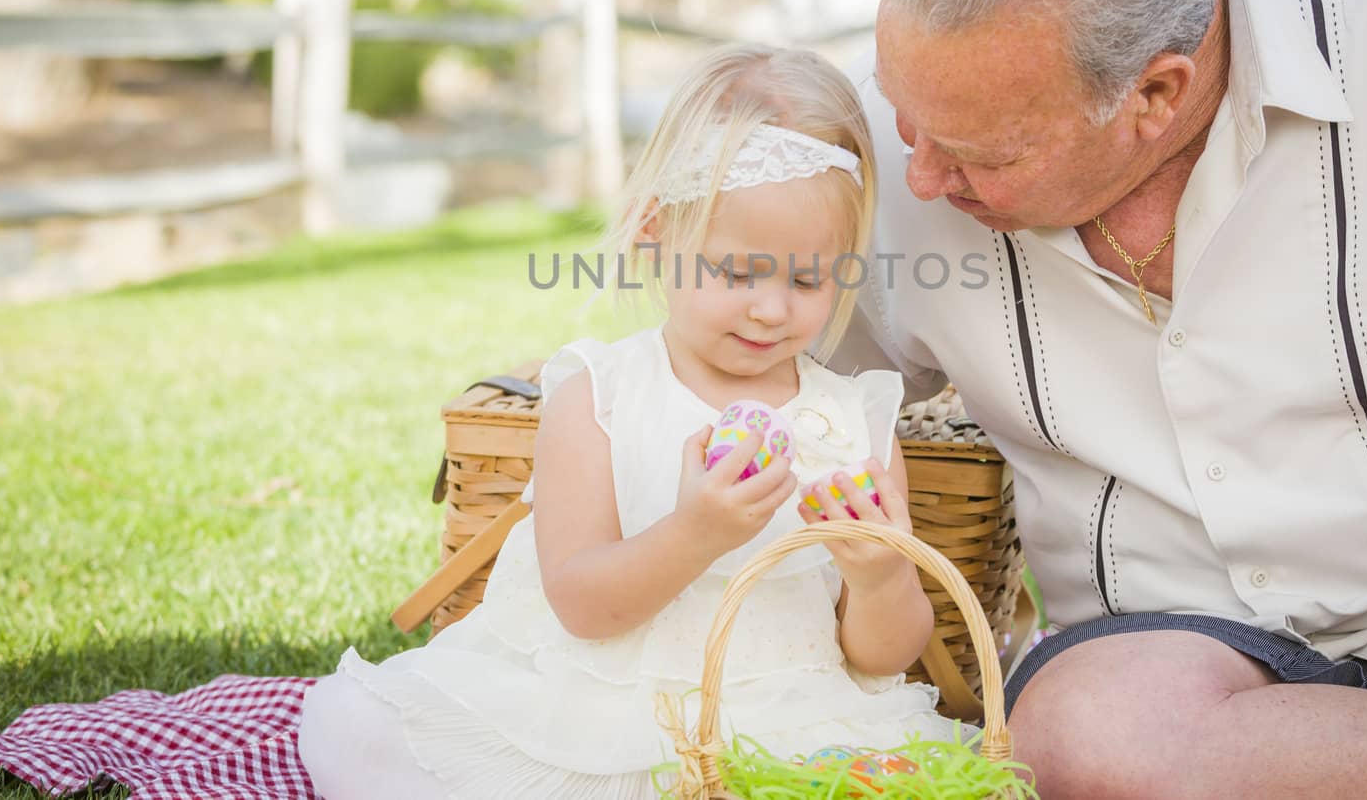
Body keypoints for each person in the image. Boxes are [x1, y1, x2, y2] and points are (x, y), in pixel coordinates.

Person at [829, 0, 1367, 798]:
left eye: (978, 154)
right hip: (1192, 682)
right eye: (904, 114)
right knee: (1085, 730)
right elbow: (744, 390)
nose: (918, 173)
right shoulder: (885, 160)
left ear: (1154, 94)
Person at [297, 44, 957, 799]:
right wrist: (696, 532)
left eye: (809, 277)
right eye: (737, 271)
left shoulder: (850, 423)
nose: (772, 307)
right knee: (372, 731)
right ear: (655, 233)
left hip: (795, 722)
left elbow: (882, 659)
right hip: (603, 709)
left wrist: (880, 577)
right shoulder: (599, 399)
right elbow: (581, 604)